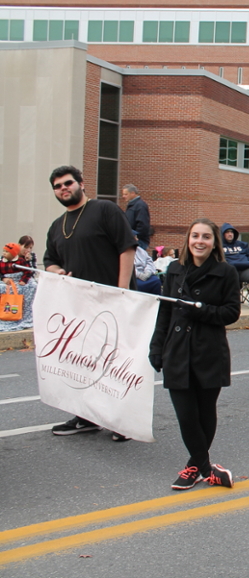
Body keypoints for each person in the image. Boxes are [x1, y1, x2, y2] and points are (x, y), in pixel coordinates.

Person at [44, 165, 137, 440]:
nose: (63, 188)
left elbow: (127, 247)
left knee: (116, 364)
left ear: (81, 184)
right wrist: (57, 271)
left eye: (68, 183)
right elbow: (50, 260)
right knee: (83, 363)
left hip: (113, 302)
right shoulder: (56, 226)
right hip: (79, 308)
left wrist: (122, 292)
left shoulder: (104, 210)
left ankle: (123, 420)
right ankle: (86, 417)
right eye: (58, 186)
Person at [149, 219, 241, 491]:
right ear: (188, 239)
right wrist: (156, 347)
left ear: (215, 242)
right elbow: (164, 312)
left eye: (206, 237)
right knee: (186, 415)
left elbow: (231, 313)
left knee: (204, 413)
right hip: (177, 350)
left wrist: (198, 310)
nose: (200, 241)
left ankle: (194, 467)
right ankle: (206, 468)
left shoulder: (226, 272)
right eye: (195, 235)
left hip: (209, 351)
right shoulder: (175, 269)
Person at [221, 224, 249, 311]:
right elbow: (220, 261)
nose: (230, 234)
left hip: (245, 269)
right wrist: (232, 265)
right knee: (229, 271)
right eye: (227, 232)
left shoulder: (242, 245)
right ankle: (231, 300)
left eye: (232, 232)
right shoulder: (219, 246)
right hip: (230, 271)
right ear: (222, 234)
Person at [1, 242, 36, 332]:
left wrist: (23, 280)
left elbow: (28, 271)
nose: (4, 253)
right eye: (3, 251)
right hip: (7, 280)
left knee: (32, 286)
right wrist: (3, 278)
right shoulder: (2, 261)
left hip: (19, 280)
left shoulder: (20, 261)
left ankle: (25, 317)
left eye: (6, 252)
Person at [122, 184, 152, 250]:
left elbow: (143, 224)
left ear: (133, 193)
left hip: (138, 241)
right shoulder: (133, 205)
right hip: (133, 240)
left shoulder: (140, 206)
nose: (123, 196)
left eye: (126, 194)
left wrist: (135, 236)